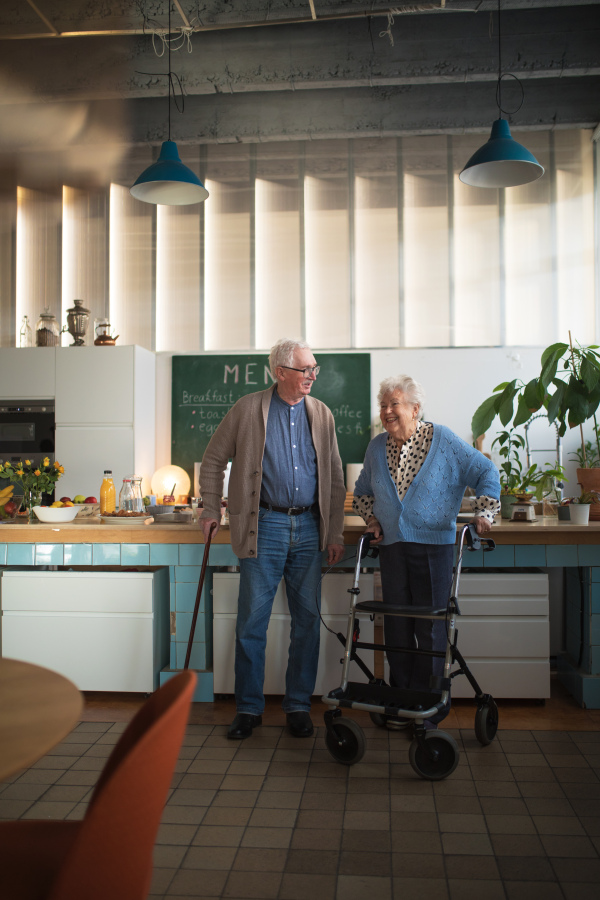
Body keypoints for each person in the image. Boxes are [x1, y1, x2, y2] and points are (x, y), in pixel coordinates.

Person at [200, 339, 346, 740]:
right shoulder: (248, 409)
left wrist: (333, 531)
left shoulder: (323, 414)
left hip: (310, 528)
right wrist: (210, 508)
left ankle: (298, 705)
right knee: (251, 623)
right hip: (264, 527)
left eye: (315, 369)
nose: (313, 377)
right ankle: (248, 708)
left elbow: (334, 478)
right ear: (281, 372)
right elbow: (213, 459)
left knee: (307, 625)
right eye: (305, 370)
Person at [353, 375, 500, 727]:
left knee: (430, 627)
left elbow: (485, 470)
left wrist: (485, 513)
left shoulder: (444, 440)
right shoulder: (376, 448)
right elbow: (362, 493)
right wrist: (371, 519)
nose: (388, 411)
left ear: (415, 409)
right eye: (384, 405)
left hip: (434, 548)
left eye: (395, 404)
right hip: (391, 548)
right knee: (397, 627)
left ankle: (429, 704)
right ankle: (401, 698)